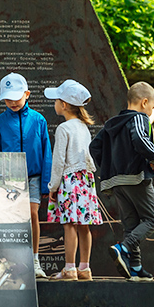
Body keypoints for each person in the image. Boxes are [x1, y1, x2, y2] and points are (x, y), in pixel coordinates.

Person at [89, 81, 154, 281]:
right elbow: (139, 138)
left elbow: (95, 147)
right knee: (152, 219)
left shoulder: (112, 123)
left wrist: (108, 170)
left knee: (131, 224)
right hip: (136, 177)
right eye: (152, 108)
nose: (151, 113)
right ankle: (123, 248)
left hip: (116, 182)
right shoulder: (139, 119)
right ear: (144, 102)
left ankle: (136, 267)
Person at [0, 72, 52, 279]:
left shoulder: (38, 120)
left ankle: (34, 261)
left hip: (33, 176)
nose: (12, 102)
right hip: (9, 180)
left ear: (27, 94)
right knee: (12, 218)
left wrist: (46, 185)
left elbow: (46, 153)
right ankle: (12, 261)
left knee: (32, 215)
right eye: (7, 98)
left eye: (16, 97)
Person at [44, 80, 102, 281]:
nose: (55, 104)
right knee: (84, 225)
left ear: (65, 105)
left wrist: (53, 186)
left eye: (57, 100)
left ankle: (69, 269)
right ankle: (84, 268)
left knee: (69, 224)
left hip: (69, 181)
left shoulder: (63, 128)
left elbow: (58, 161)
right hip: (86, 181)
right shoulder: (84, 127)